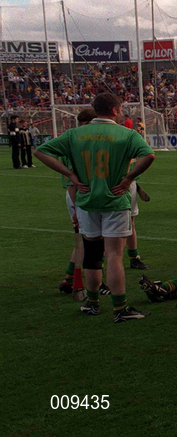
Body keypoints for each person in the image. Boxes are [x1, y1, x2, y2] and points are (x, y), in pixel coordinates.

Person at [33, 92, 155, 323]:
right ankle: (119, 309)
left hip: (86, 201)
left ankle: (92, 303)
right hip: (114, 201)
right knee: (114, 256)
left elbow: (40, 151)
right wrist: (129, 179)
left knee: (91, 255)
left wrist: (70, 174)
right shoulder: (126, 134)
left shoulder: (75, 134)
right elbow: (149, 156)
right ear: (115, 110)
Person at [56, 108, 98, 300]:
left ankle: (69, 277)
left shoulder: (73, 138)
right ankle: (79, 281)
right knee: (90, 240)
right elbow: (71, 180)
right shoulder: (78, 141)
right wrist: (77, 208)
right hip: (78, 196)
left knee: (86, 240)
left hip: (78, 194)